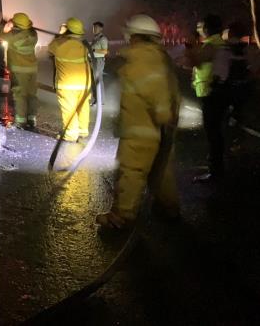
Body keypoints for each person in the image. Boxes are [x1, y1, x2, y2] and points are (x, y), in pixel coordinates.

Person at [97, 14, 180, 228]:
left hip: (140, 129)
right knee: (161, 170)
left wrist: (163, 116)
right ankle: (169, 208)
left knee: (131, 172)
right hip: (157, 130)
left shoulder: (143, 59)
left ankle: (122, 216)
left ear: (134, 36)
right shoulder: (157, 57)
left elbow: (156, 92)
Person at [186, 14, 230, 182]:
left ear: (208, 28)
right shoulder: (216, 43)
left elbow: (196, 60)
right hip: (213, 93)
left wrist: (189, 46)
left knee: (213, 133)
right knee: (215, 133)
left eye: (200, 26)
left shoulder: (213, 44)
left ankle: (215, 172)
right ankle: (216, 168)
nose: (198, 29)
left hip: (212, 94)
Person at [48, 17, 91, 142]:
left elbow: (50, 48)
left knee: (69, 109)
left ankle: (70, 135)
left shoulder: (59, 44)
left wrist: (60, 35)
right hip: (84, 84)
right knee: (83, 107)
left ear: (67, 30)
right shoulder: (83, 45)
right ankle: (83, 131)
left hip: (67, 84)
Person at [0, 12, 38, 129]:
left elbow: (1, 35)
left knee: (20, 94)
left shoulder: (12, 36)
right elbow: (28, 30)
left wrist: (7, 26)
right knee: (31, 94)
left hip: (19, 70)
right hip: (32, 69)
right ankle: (32, 119)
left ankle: (20, 121)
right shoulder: (33, 34)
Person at [225, 22, 252, 147]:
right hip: (242, 85)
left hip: (232, 85)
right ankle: (237, 135)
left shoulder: (228, 48)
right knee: (238, 110)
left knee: (231, 111)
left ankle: (233, 135)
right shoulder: (243, 48)